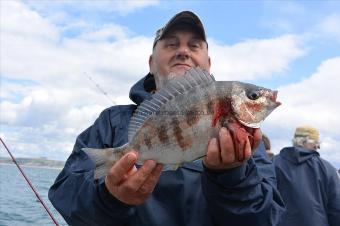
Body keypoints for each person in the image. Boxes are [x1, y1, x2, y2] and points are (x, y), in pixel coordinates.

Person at [49, 11, 285, 226]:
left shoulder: (246, 140)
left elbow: (268, 219)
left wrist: (233, 176)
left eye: (194, 45)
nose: (183, 51)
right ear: (151, 63)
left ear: (209, 64)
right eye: (171, 44)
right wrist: (109, 197)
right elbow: (64, 194)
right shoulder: (111, 122)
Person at [273, 126, 340, 226]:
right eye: (317, 145)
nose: (317, 148)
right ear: (311, 144)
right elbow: (336, 209)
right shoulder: (327, 169)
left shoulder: (273, 163)